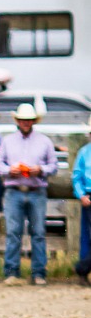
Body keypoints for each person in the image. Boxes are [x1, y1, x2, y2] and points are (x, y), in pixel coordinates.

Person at [0, 103, 58, 286]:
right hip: (14, 190)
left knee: (38, 232)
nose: (26, 122)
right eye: (23, 119)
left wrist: (40, 170)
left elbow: (53, 166)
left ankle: (39, 273)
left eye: (28, 120)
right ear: (18, 121)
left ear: (33, 121)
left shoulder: (45, 141)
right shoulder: (7, 141)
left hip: (36, 190)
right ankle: (11, 272)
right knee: (13, 233)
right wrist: (10, 171)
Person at [71, 115, 91, 287]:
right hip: (89, 198)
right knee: (87, 237)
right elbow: (77, 176)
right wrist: (81, 194)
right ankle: (83, 270)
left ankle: (82, 269)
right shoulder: (84, 152)